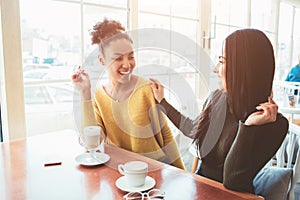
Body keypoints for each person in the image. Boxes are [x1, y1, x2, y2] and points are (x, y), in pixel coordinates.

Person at [150, 28, 288, 193]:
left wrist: (248, 127)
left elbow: (233, 181)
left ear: (243, 68)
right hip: (201, 188)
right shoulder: (218, 98)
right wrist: (163, 102)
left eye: (222, 61)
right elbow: (195, 129)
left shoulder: (275, 125)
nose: (216, 69)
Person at [71, 18, 185, 169]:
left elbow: (165, 134)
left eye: (131, 56)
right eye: (118, 58)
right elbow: (92, 142)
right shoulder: (99, 95)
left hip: (153, 168)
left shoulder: (146, 89)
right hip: (119, 169)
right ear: (102, 60)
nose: (127, 64)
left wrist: (183, 173)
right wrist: (85, 93)